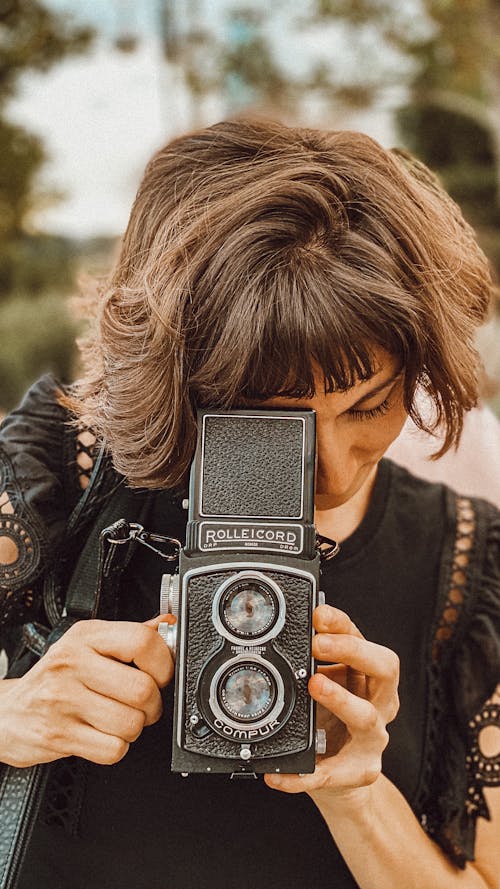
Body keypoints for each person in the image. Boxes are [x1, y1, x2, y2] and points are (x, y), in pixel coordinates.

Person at [0, 119, 498, 889]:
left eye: (370, 404)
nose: (331, 471)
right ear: (179, 385)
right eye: (274, 424)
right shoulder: (44, 486)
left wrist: (357, 789)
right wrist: (11, 711)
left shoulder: (468, 562)